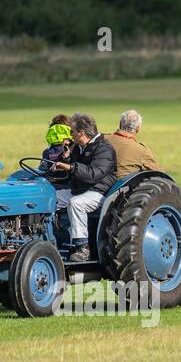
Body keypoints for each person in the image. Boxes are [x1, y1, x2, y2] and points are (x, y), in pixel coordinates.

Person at [51, 112, 116, 262]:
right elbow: (72, 167)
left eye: (72, 132)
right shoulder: (79, 147)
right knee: (50, 198)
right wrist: (66, 157)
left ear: (81, 133)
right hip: (80, 189)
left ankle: (82, 247)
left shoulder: (105, 149)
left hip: (99, 192)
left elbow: (94, 174)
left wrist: (70, 166)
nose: (70, 135)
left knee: (76, 204)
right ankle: (54, 239)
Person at [104, 109, 158, 179]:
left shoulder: (102, 139)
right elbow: (159, 173)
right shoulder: (141, 150)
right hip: (124, 187)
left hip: (96, 184)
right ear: (138, 128)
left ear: (120, 124)